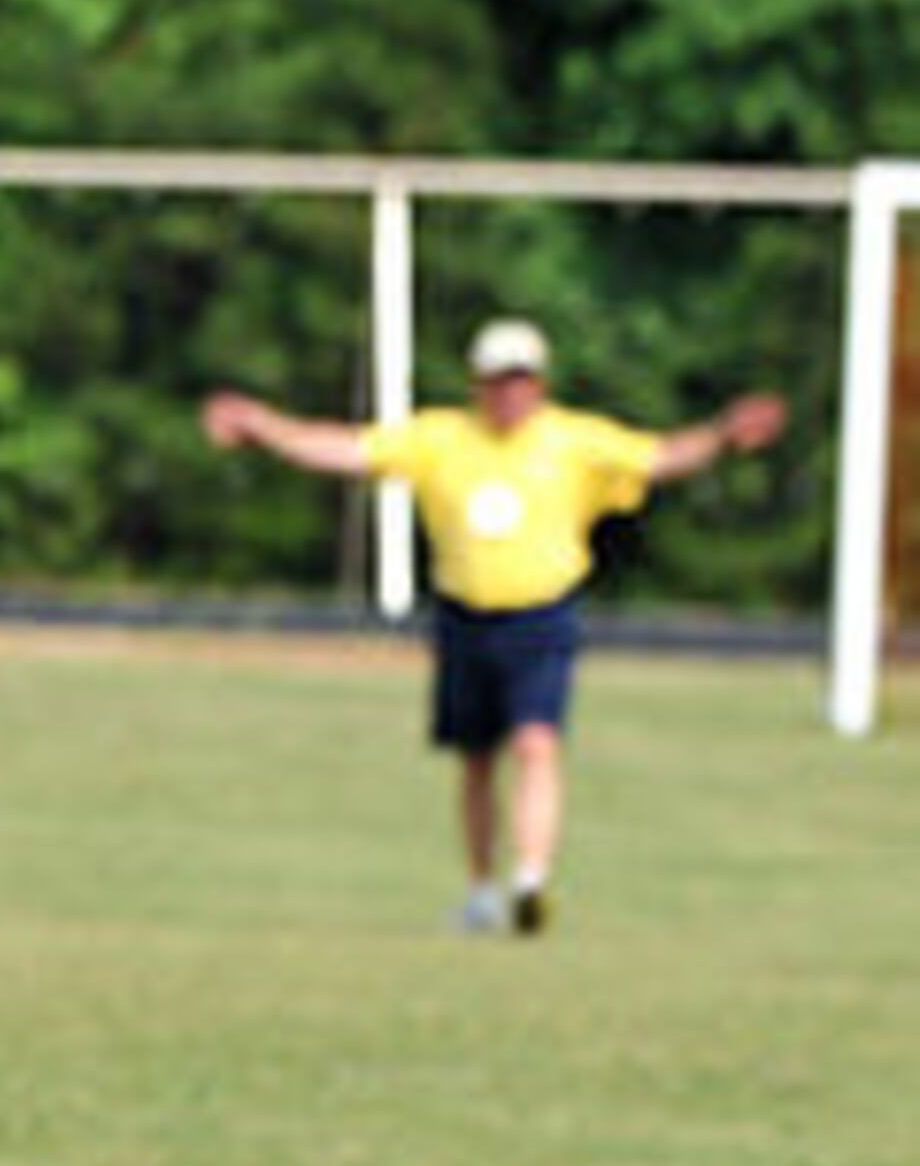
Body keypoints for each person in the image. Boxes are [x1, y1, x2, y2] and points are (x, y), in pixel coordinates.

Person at [202, 317, 786, 936]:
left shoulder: (576, 441)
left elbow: (662, 456)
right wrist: (263, 425)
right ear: (477, 384)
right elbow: (347, 448)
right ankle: (482, 888)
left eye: (520, 380)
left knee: (537, 744)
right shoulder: (441, 439)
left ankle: (530, 881)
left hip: (541, 614)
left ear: (540, 384)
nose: (509, 394)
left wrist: (723, 433)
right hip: (464, 615)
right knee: (476, 759)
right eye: (497, 381)